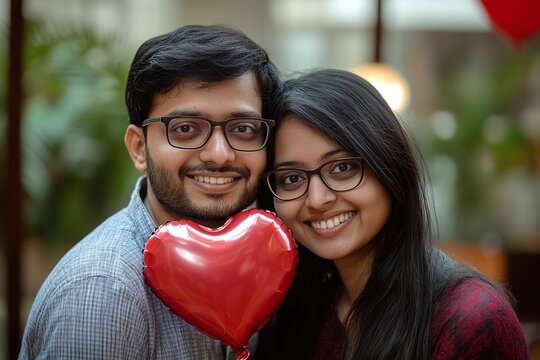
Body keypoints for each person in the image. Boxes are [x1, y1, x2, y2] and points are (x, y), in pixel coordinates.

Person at [19, 24, 281, 359]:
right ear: (139, 148)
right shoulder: (105, 291)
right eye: (185, 129)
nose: (219, 154)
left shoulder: (263, 260)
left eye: (243, 129)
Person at [256, 69, 530, 359]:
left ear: (389, 166)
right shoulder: (297, 314)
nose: (317, 199)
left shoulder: (470, 320)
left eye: (342, 168)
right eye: (292, 178)